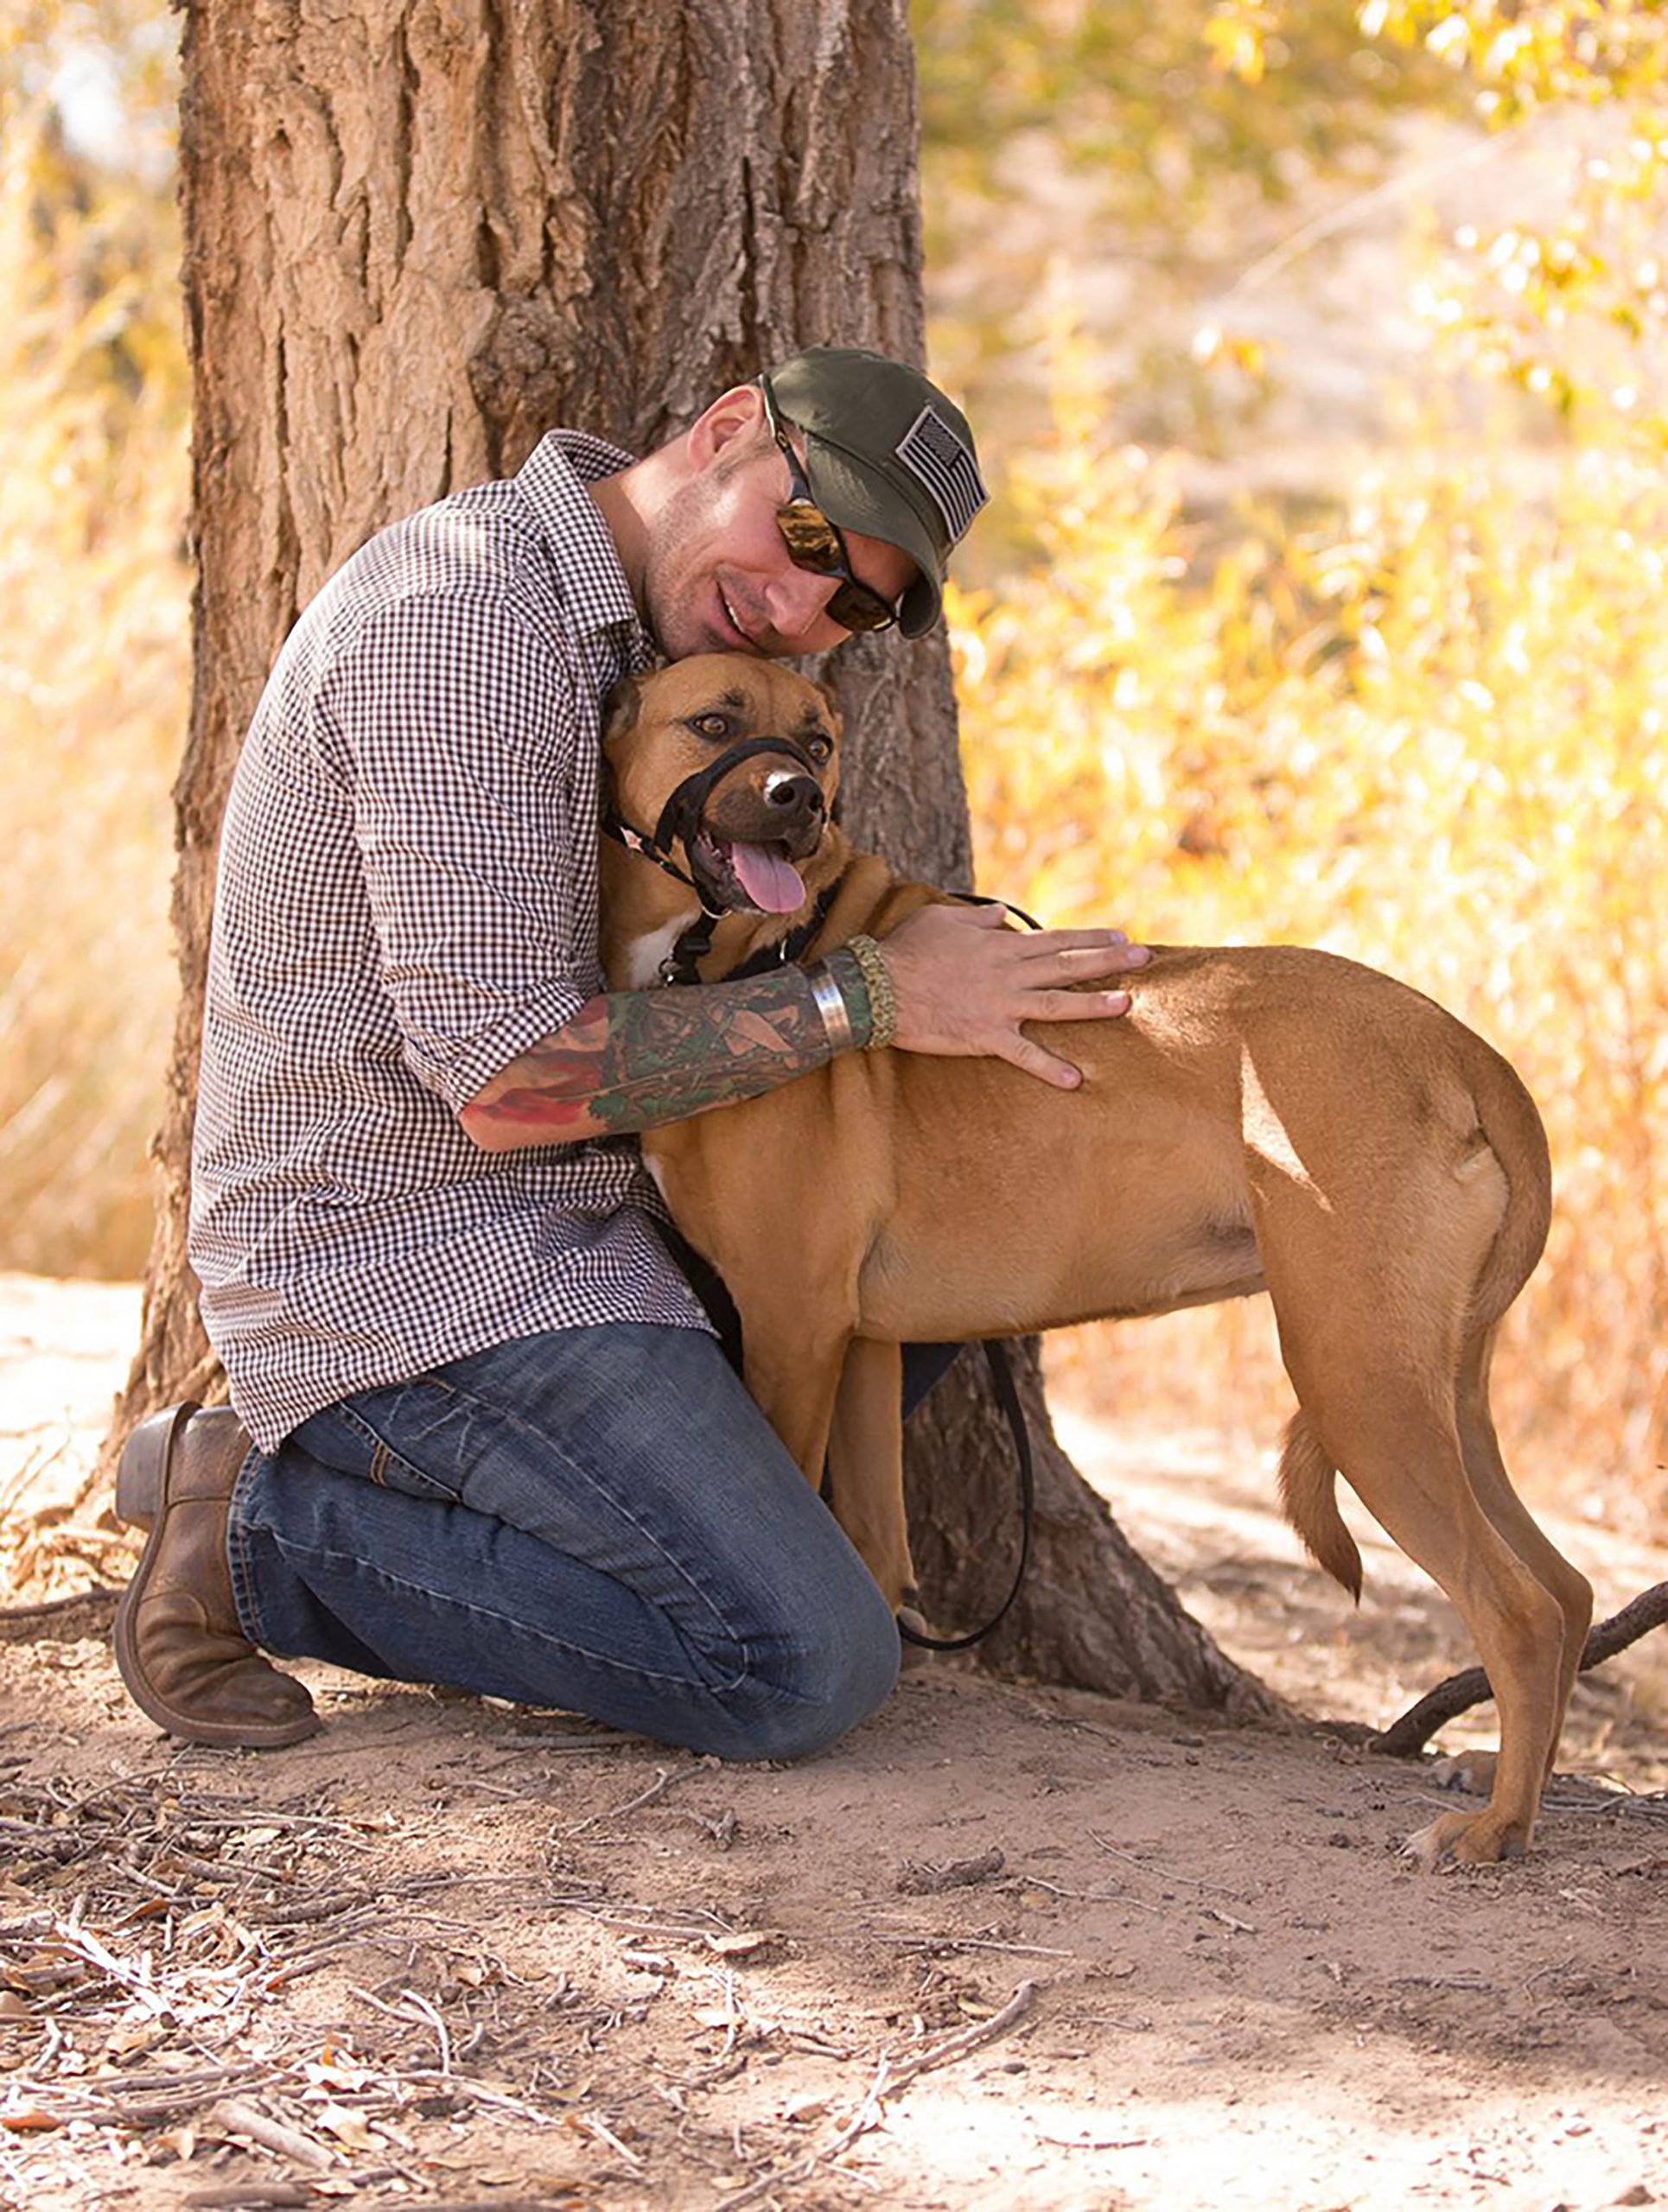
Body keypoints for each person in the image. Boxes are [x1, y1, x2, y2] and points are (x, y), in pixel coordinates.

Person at [112, 346, 1149, 1759]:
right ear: (727, 429)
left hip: (604, 1230)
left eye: (848, 602)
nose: (795, 608)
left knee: (907, 1292)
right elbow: (508, 1082)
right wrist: (869, 999)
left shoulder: (650, 648)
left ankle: (647, 1531)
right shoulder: (462, 625)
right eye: (798, 541)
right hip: (410, 1265)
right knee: (796, 1665)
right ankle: (258, 1522)